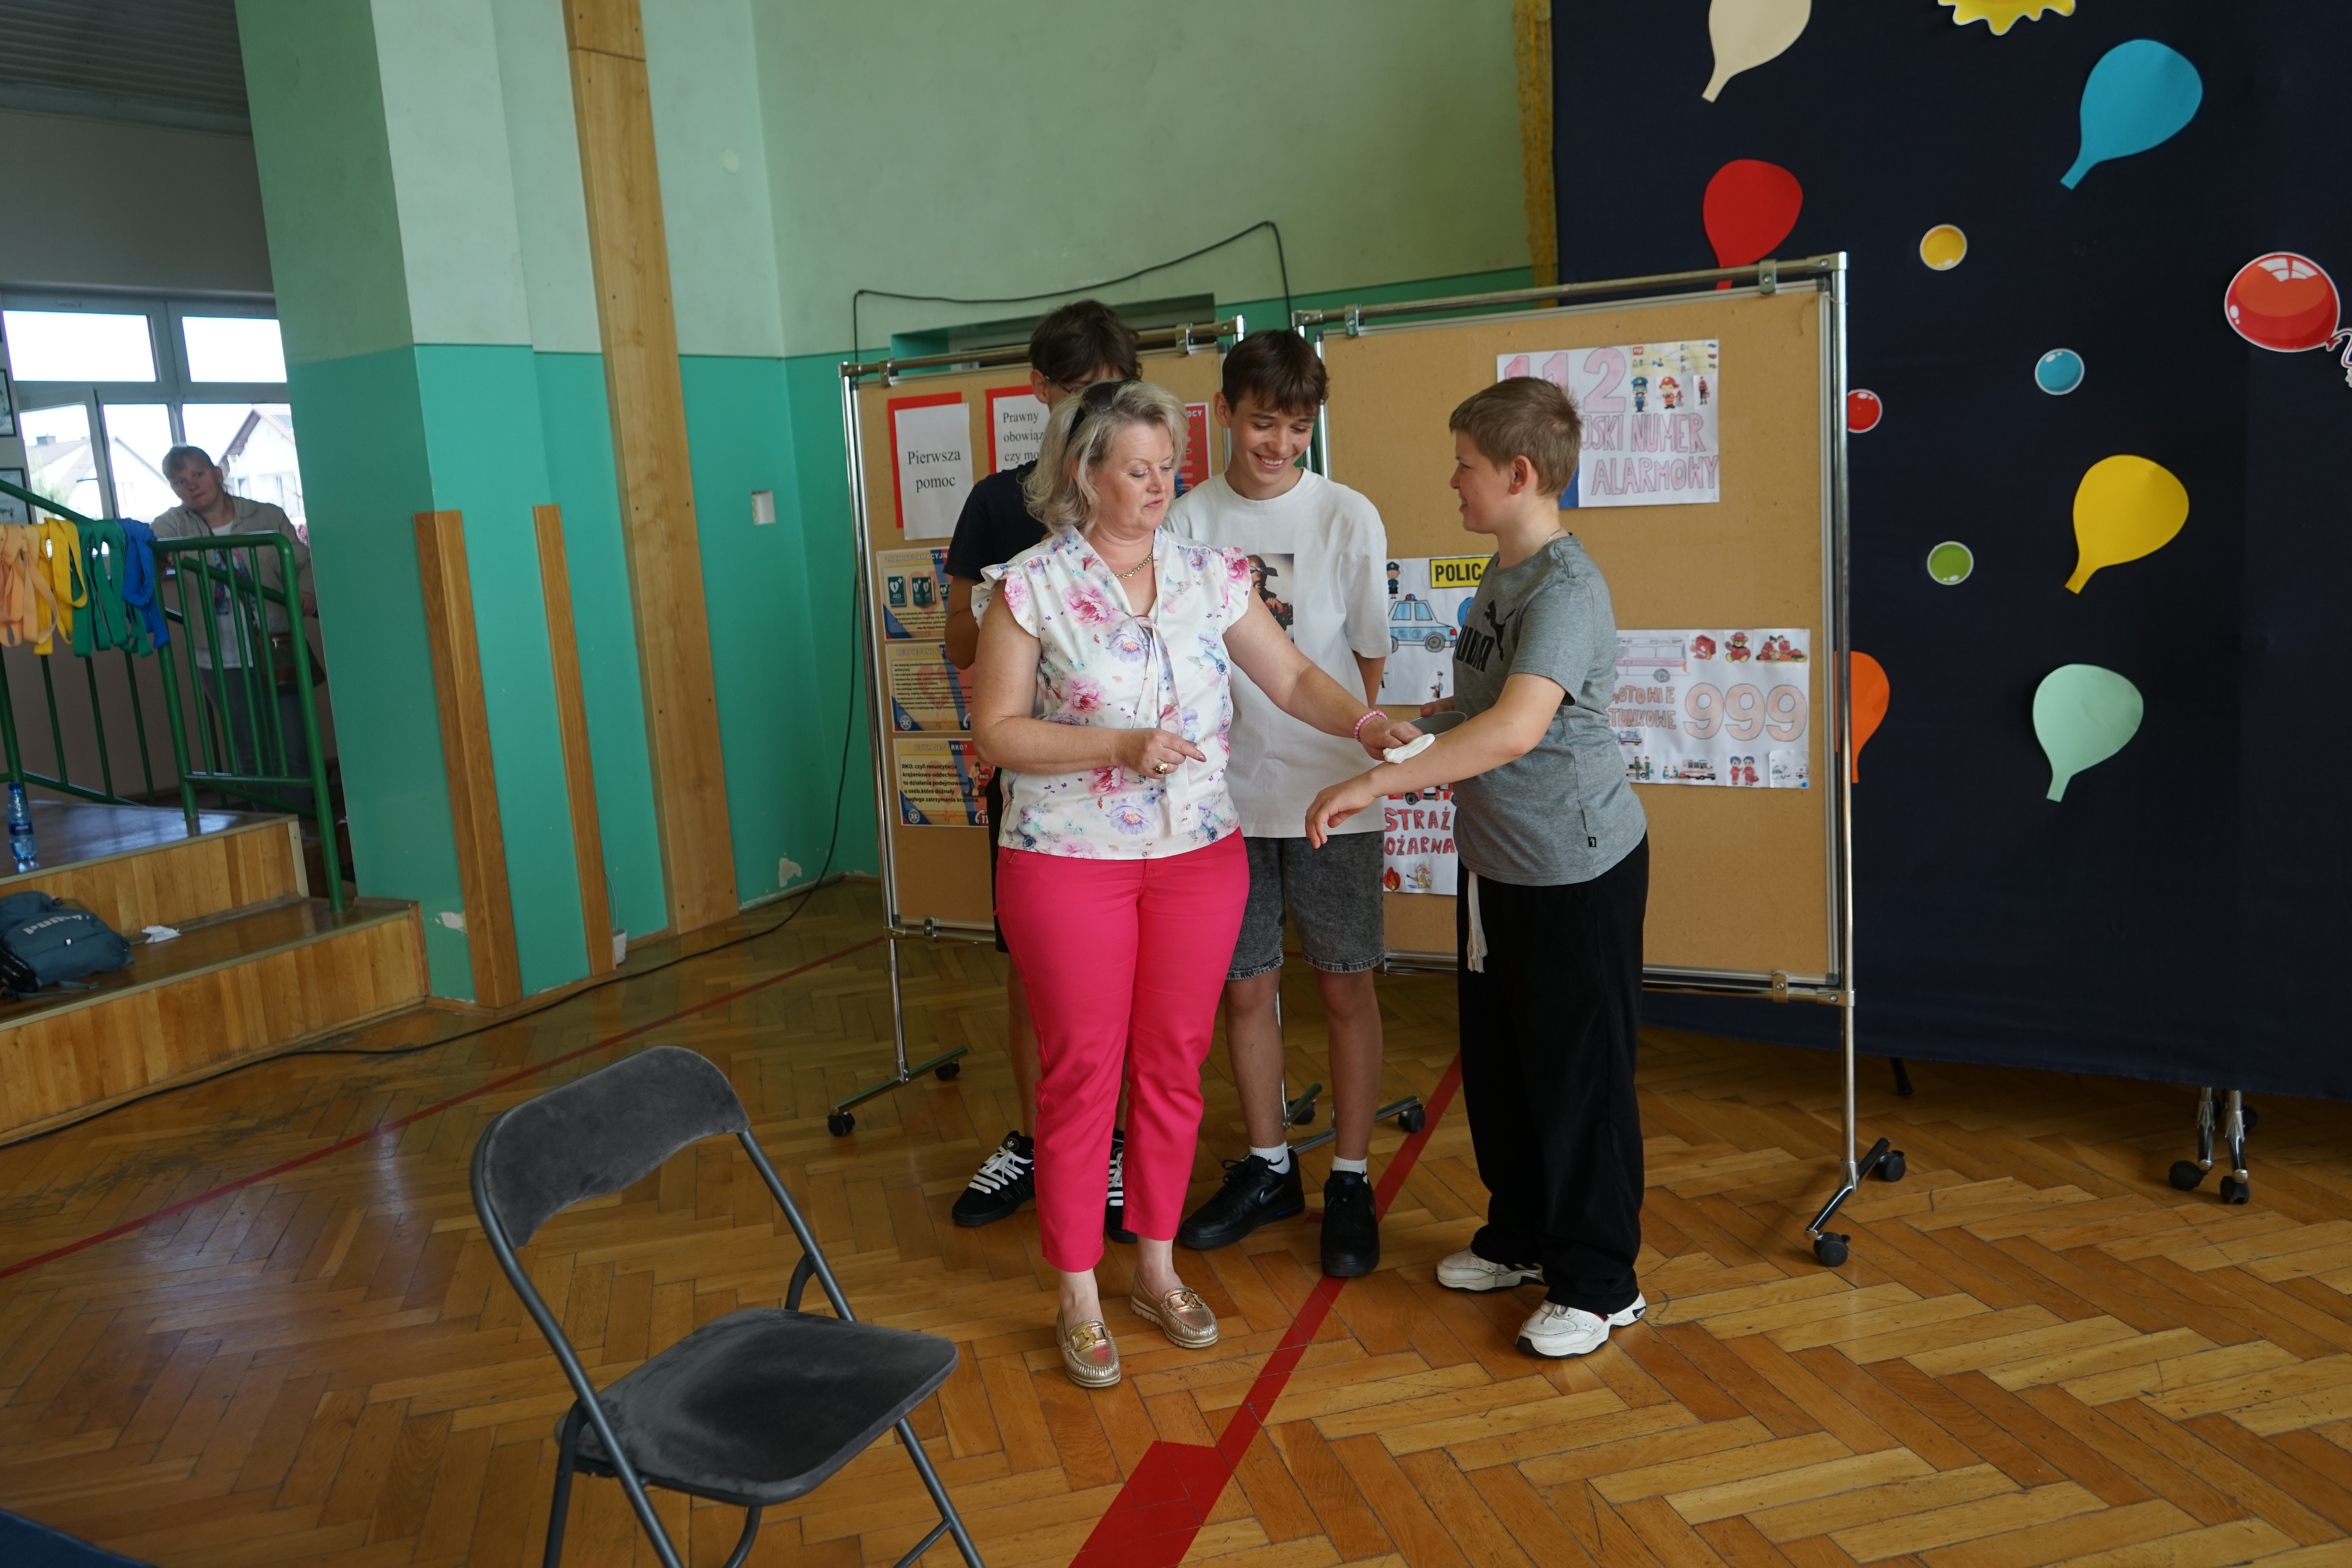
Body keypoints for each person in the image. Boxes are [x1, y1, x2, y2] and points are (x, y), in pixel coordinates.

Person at [969, 378, 1418, 1388]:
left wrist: (1364, 724)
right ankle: (1078, 1290)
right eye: (1137, 469)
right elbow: (997, 732)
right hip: (1068, 859)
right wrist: (1116, 744)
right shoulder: (1030, 586)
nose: (1159, 485)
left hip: (1196, 855)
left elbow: (1291, 676)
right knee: (1083, 1073)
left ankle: (1156, 1268)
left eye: (1168, 467)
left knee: (1175, 1065)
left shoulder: (1210, 574)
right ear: (1084, 473)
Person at [1304, 378, 1650, 1361]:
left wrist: (1377, 782)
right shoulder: (1503, 574)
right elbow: (1484, 708)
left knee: (1579, 1075)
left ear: (1519, 473)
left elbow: (1517, 729)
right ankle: (1522, 1235)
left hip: (1575, 872)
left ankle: (1601, 1281)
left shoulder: (1568, 590)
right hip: (1497, 868)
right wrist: (1416, 728)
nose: (1453, 481)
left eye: (1465, 464)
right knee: (1502, 1063)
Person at [1163, 330, 1394, 1278]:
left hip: (1332, 788)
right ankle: (1268, 1165)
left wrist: (1356, 756)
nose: (1281, 445)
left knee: (1344, 982)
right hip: (1222, 796)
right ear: (1224, 412)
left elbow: (1368, 657)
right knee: (1246, 986)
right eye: (1264, 424)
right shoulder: (1185, 520)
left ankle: (1349, 1174)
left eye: (1299, 428)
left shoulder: (1346, 514)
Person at [941, 300, 1142, 1236]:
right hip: (1035, 786)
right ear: (1041, 392)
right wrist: (1011, 613)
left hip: (1136, 792)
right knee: (1033, 972)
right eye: (1081, 395)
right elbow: (957, 639)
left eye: (1114, 392)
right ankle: (1036, 1138)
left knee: (1129, 982)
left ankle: (1113, 1147)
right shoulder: (998, 503)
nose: (1099, 412)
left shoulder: (1146, 497)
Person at [151, 445, 324, 810]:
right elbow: (147, 548)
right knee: (250, 752)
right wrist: (162, 553)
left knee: (294, 747)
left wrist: (307, 591)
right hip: (218, 657)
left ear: (218, 474)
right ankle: (269, 828)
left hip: (277, 645)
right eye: (179, 482)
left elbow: (302, 562)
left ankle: (303, 828)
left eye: (198, 475)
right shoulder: (172, 524)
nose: (191, 486)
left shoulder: (266, 515)